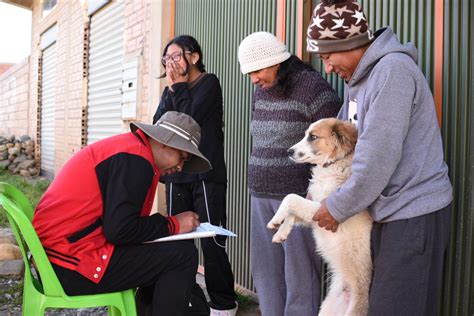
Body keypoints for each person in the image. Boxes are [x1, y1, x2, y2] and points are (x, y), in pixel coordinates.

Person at [306, 0, 453, 315]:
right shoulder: (359, 82)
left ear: (350, 43)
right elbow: (348, 148)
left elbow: (376, 159)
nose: (327, 67)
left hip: (413, 213)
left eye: (327, 56)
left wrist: (337, 206)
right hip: (386, 212)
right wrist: (323, 192)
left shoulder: (392, 72)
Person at [32, 111, 212, 316]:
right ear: (164, 142)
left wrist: (167, 229)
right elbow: (120, 231)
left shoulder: (131, 150)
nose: (180, 167)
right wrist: (173, 225)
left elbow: (122, 227)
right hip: (69, 266)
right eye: (182, 157)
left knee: (168, 252)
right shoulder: (136, 160)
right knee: (182, 256)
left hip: (56, 258)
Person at [238, 31, 342, 315]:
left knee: (300, 275)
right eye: (249, 73)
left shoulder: (312, 88)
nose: (254, 79)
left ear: (277, 62)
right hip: (260, 193)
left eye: (257, 71)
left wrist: (320, 190)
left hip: (297, 196)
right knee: (266, 272)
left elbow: (334, 145)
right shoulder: (260, 90)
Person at [153, 35, 238, 315]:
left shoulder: (209, 83)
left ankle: (224, 305)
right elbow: (160, 127)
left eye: (176, 56)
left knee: (212, 242)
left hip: (206, 175)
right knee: (180, 244)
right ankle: (188, 302)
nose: (171, 63)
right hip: (177, 177)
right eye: (166, 59)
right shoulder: (170, 91)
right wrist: (173, 90)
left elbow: (188, 122)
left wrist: (177, 87)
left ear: (194, 56)